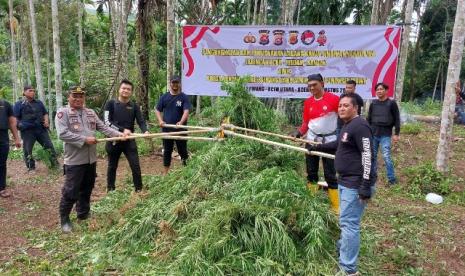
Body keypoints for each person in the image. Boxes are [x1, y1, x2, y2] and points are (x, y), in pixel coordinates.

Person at [312, 93, 375, 276]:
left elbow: (367, 156)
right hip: (346, 182)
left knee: (349, 224)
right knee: (346, 221)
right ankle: (343, 249)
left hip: (355, 184)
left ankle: (348, 269)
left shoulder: (361, 126)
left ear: (355, 108)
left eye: (346, 105)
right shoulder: (348, 126)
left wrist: (365, 184)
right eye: (340, 106)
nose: (341, 108)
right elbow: (337, 145)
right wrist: (316, 148)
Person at [55, 86, 125, 233]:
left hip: (90, 160)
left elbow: (103, 128)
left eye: (81, 96)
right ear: (69, 97)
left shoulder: (90, 113)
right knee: (71, 190)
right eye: (75, 96)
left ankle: (83, 213)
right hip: (74, 160)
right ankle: (64, 219)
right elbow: (63, 134)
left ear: (84, 98)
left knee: (87, 187)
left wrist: (119, 134)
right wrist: (84, 139)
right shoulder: (63, 113)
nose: (78, 99)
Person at [291, 73, 340, 213]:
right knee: (311, 172)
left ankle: (336, 207)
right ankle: (311, 202)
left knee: (330, 174)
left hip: (329, 141)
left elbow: (343, 117)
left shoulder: (334, 99)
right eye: (309, 86)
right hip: (311, 140)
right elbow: (306, 122)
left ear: (322, 84)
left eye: (314, 85)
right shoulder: (308, 102)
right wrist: (299, 133)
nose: (312, 88)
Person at [104, 79, 148, 192]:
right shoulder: (110, 104)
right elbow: (106, 122)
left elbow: (141, 121)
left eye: (128, 89)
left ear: (131, 92)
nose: (126, 91)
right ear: (119, 89)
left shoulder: (134, 106)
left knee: (135, 166)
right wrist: (122, 130)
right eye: (124, 88)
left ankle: (139, 190)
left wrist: (145, 131)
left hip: (129, 140)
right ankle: (110, 190)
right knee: (112, 166)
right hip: (114, 140)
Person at [13, 85, 58, 171]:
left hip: (41, 129)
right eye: (30, 90)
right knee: (27, 150)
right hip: (28, 131)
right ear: (24, 92)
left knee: (49, 146)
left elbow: (45, 113)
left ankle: (54, 164)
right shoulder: (19, 104)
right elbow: (15, 118)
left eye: (33, 91)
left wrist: (46, 121)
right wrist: (20, 125)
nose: (33, 92)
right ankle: (31, 167)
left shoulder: (39, 103)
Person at [155, 76, 191, 175]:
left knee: (183, 151)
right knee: (167, 151)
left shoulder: (184, 97)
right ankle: (166, 173)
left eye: (177, 83)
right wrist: (160, 121)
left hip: (180, 130)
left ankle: (186, 171)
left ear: (179, 84)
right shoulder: (164, 97)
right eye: (173, 83)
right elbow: (157, 110)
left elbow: (186, 111)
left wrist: (181, 122)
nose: (175, 85)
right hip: (167, 130)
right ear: (170, 83)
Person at [366, 82, 400, 185]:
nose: (379, 91)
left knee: (386, 156)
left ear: (386, 90)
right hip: (373, 134)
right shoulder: (373, 103)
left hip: (385, 134)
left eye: (381, 89)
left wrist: (396, 134)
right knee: (373, 156)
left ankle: (392, 179)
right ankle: (373, 176)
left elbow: (397, 119)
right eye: (377, 90)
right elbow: (369, 119)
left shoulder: (391, 103)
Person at [0, 98, 21, 198]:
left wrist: (16, 138)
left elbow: (12, 122)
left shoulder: (5, 104)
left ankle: (1, 188)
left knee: (1, 163)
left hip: (2, 136)